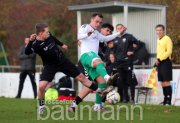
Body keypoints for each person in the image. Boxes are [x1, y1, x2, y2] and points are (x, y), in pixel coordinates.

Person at [25, 23, 99, 114]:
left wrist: (62, 44)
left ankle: (99, 89)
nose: (49, 33)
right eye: (47, 32)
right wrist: (30, 42)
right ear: (40, 33)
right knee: (41, 87)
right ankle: (41, 107)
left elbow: (53, 38)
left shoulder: (49, 36)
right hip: (50, 66)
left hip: (62, 61)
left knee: (82, 78)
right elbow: (27, 52)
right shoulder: (35, 44)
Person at [69, 13, 121, 112]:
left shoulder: (98, 36)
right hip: (87, 59)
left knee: (102, 84)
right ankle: (107, 78)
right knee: (90, 85)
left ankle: (96, 106)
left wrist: (119, 33)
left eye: (100, 23)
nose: (98, 24)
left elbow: (105, 38)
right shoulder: (86, 27)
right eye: (107, 30)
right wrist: (86, 35)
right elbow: (79, 36)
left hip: (94, 61)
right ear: (92, 20)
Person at [113, 24, 138, 103]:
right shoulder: (115, 38)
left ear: (123, 29)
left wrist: (132, 51)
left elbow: (137, 44)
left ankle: (132, 99)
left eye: (121, 28)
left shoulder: (129, 36)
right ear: (116, 30)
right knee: (122, 80)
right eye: (118, 28)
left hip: (128, 61)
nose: (119, 29)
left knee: (130, 80)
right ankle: (125, 98)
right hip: (119, 62)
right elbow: (112, 49)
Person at [155, 24, 173, 105]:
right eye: (157, 30)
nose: (159, 32)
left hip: (166, 62)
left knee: (166, 81)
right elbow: (159, 52)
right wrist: (157, 60)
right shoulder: (158, 39)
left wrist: (160, 59)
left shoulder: (167, 39)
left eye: (160, 30)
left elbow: (169, 51)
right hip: (160, 63)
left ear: (163, 30)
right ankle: (165, 99)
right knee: (162, 82)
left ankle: (169, 100)